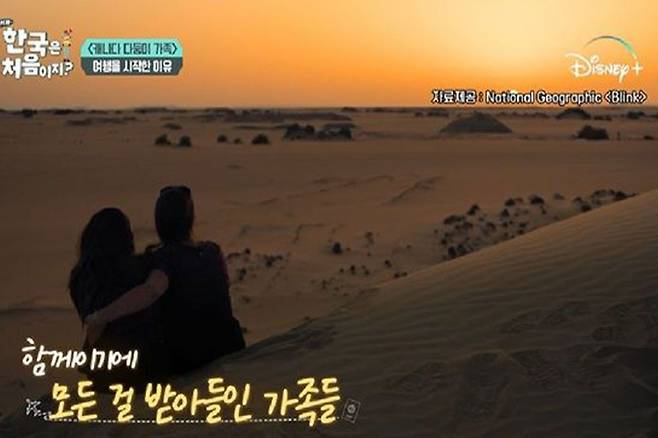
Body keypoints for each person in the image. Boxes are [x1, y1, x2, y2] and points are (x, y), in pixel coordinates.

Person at [85, 186, 245, 373]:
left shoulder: (164, 259)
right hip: (229, 344)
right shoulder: (212, 251)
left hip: (192, 355)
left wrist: (101, 316)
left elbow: (151, 291)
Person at [69, 208, 169, 390]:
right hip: (147, 366)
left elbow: (93, 328)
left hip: (107, 370)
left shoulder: (83, 277)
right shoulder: (142, 267)